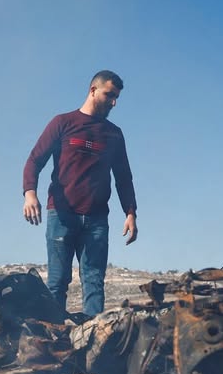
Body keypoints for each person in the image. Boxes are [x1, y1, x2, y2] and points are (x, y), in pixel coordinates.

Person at [22, 70, 138, 317]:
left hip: (96, 220)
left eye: (116, 97)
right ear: (93, 90)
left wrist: (130, 212)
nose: (113, 102)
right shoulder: (63, 123)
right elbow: (35, 159)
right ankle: (52, 339)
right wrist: (30, 193)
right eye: (109, 95)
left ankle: (93, 343)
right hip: (62, 215)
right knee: (57, 282)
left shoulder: (114, 134)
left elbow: (123, 177)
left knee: (94, 283)